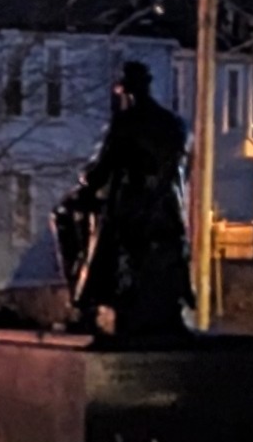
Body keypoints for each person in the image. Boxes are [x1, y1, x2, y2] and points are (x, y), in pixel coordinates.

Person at [54, 57, 191, 340]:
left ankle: (85, 304)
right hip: (168, 209)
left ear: (126, 91)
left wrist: (86, 182)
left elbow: (104, 167)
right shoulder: (174, 124)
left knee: (68, 217)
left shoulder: (126, 123)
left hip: (132, 211)